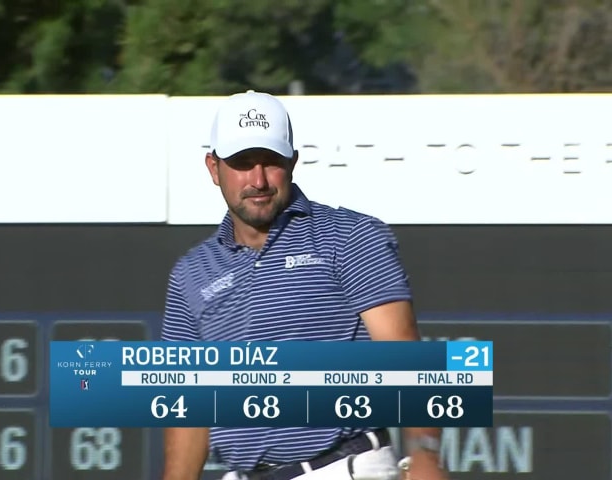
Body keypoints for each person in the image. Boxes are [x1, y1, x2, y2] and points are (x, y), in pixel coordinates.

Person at [161, 90, 448, 480]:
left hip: (342, 467)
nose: (258, 180)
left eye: (271, 162)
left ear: (293, 162)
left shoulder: (351, 237)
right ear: (214, 168)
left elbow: (405, 356)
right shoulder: (191, 273)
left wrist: (425, 455)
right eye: (243, 163)